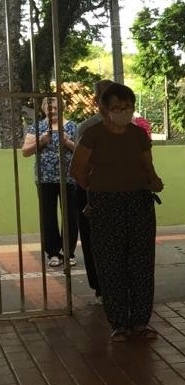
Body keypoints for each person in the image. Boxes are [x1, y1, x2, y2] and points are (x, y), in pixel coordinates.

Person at [70, 83, 164, 342]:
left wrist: (154, 181)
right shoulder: (93, 135)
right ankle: (119, 323)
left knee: (141, 262)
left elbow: (148, 167)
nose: (122, 112)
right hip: (105, 204)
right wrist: (97, 189)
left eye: (127, 107)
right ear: (103, 109)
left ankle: (140, 322)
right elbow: (77, 170)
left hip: (139, 202)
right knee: (111, 263)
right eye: (116, 108)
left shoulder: (138, 135)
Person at [22, 96, 79, 268]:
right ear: (43, 109)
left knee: (70, 215)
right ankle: (53, 253)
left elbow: (82, 150)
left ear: (61, 108)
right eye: (48, 107)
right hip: (45, 178)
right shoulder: (37, 127)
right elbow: (25, 151)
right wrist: (42, 141)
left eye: (54, 107)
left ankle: (68, 253)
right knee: (48, 216)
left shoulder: (72, 126)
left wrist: (67, 142)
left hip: (69, 177)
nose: (51, 110)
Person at [75, 78, 113, 299]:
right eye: (106, 97)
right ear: (96, 100)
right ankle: (100, 283)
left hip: (119, 189)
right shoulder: (88, 127)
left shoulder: (131, 127)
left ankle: (115, 282)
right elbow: (80, 165)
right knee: (92, 238)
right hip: (91, 188)